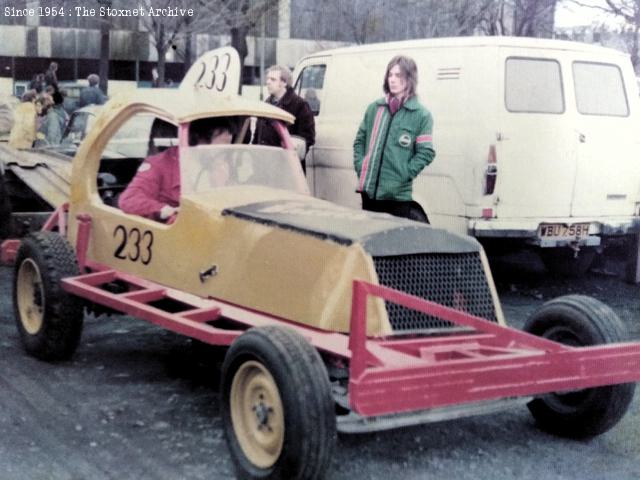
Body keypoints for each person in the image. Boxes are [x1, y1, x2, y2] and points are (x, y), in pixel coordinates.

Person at [353, 55, 435, 223]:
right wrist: (361, 166)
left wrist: (405, 173)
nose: (393, 80)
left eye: (398, 76)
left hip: (397, 198)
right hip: (369, 193)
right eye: (390, 75)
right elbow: (359, 142)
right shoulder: (374, 108)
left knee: (393, 246)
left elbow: (426, 152)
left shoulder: (421, 115)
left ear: (410, 79)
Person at [118, 118, 233, 222]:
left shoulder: (219, 164)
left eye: (228, 147)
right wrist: (164, 210)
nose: (224, 152)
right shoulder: (159, 164)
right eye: (220, 147)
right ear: (199, 140)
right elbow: (129, 200)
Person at [256, 65, 315, 171]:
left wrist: (289, 149)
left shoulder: (300, 105)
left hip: (287, 169)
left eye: (273, 79)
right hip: (264, 167)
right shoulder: (265, 105)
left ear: (284, 83)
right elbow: (257, 137)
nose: (268, 82)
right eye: (268, 79)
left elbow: (307, 138)